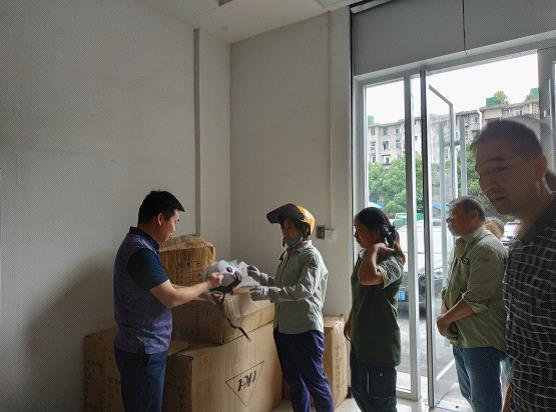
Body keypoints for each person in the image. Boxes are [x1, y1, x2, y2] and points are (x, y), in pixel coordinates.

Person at [473, 120, 556, 412]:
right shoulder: (520, 242)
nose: (488, 183)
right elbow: (526, 350)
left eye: (499, 168)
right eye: (482, 173)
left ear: (538, 167)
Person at [113, 190, 223, 412]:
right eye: (175, 222)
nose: (174, 230)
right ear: (160, 219)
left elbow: (164, 287)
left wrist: (202, 294)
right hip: (143, 350)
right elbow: (170, 298)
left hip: (140, 348)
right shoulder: (141, 253)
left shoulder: (139, 246)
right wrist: (208, 284)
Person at [247, 203, 333, 412]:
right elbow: (281, 284)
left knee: (315, 382)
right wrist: (261, 277)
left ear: (304, 229)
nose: (285, 232)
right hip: (284, 328)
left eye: (290, 227)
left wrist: (269, 293)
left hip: (305, 329)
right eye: (283, 227)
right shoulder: (289, 254)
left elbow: (304, 289)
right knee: (294, 381)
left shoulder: (311, 256)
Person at [437, 196, 508, 412]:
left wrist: (445, 319)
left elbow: (476, 298)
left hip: (481, 339)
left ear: (473, 216)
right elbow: (451, 286)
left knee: (485, 402)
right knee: (469, 394)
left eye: (453, 216)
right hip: (463, 336)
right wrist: (445, 314)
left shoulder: (486, 248)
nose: (448, 220)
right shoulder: (464, 244)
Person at [343, 207, 405, 412]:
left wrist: (373, 250)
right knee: (363, 396)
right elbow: (361, 291)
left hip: (380, 346)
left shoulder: (393, 261)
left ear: (376, 231)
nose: (355, 235)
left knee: (381, 404)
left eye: (359, 229)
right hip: (362, 341)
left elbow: (367, 278)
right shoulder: (365, 258)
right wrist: (352, 317)